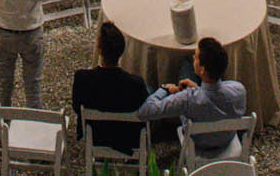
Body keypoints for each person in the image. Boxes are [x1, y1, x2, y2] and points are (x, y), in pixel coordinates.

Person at [135, 36, 250, 162]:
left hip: (199, 143)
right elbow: (214, 99)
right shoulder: (238, 90)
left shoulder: (186, 99)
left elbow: (144, 112)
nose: (193, 58)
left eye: (195, 57)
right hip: (226, 139)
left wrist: (164, 89)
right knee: (187, 66)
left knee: (185, 65)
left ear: (202, 69)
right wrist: (197, 88)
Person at [72, 20, 152, 154]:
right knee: (150, 90)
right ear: (121, 50)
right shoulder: (136, 84)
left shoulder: (82, 79)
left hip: (96, 135)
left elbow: (77, 107)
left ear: (99, 48)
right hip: (129, 137)